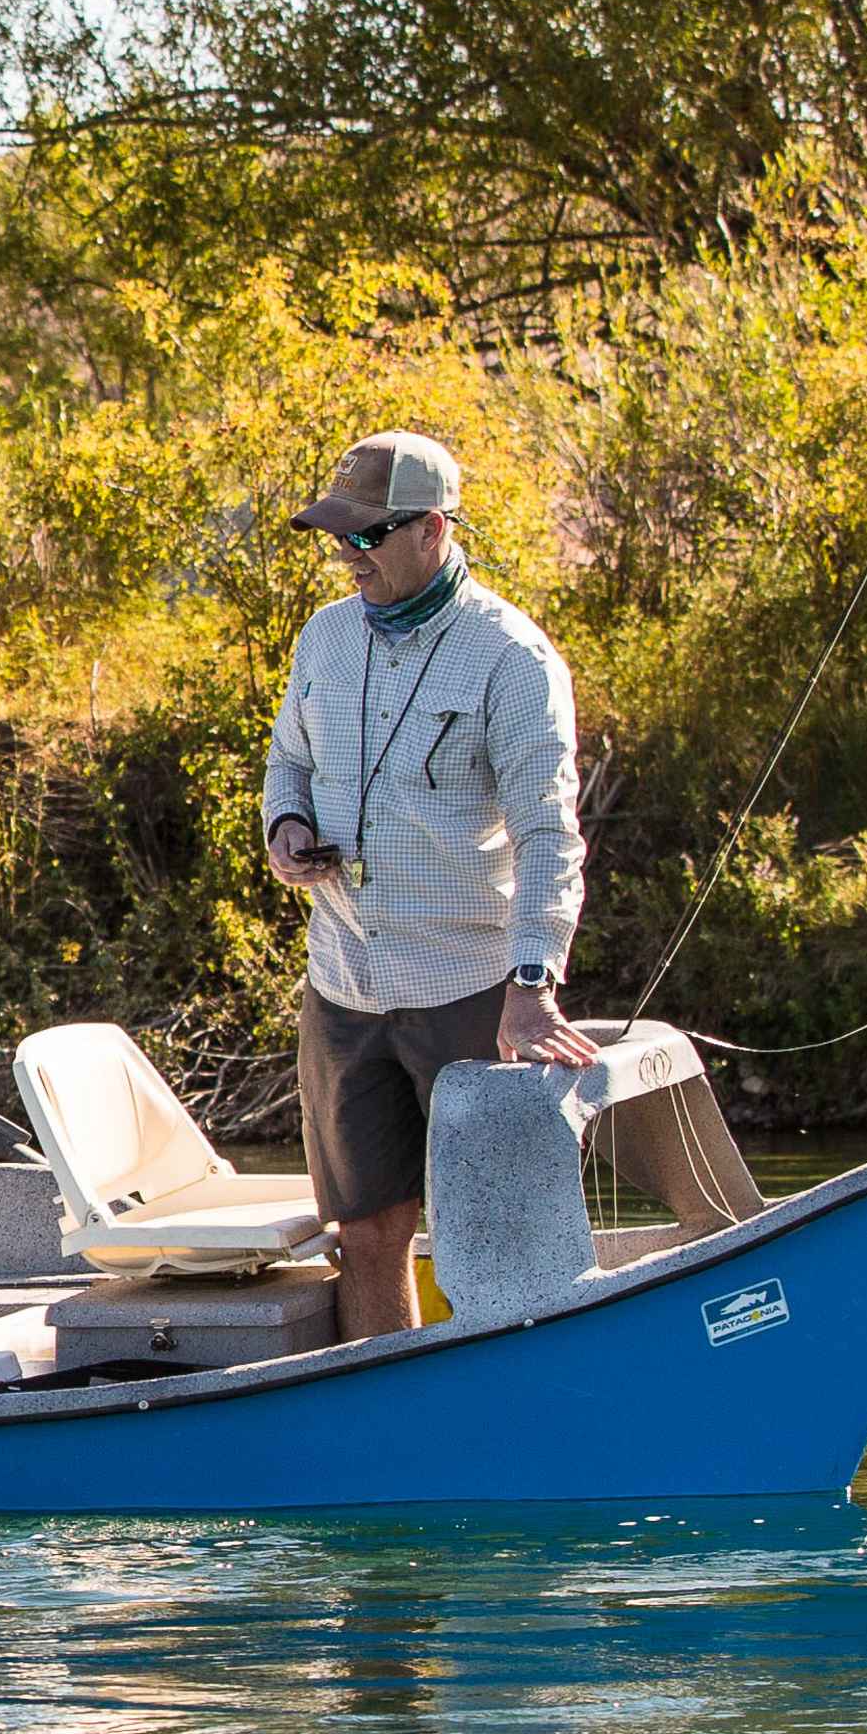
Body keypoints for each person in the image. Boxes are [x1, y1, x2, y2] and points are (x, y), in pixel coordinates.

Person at [262, 432, 601, 1343]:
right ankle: (384, 1404)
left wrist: (533, 986)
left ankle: (520, 1420)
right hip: (343, 987)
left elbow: (547, 835)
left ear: (433, 530)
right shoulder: (324, 638)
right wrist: (285, 830)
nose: (348, 557)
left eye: (366, 537)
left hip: (472, 991)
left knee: (497, 1236)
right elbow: (287, 762)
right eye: (338, 538)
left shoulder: (512, 659)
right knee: (367, 1230)